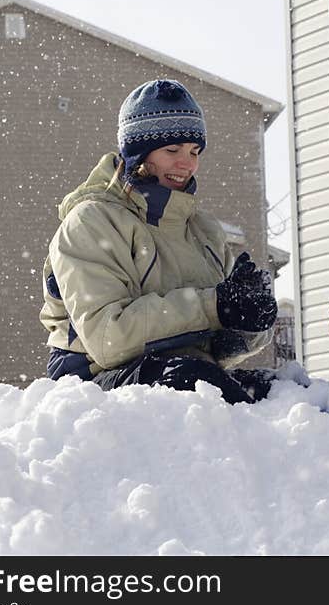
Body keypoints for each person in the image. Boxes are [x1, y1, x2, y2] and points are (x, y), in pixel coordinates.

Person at [40, 78, 278, 404]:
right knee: (191, 378)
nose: (187, 163)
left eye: (194, 151)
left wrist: (246, 321)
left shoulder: (202, 231)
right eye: (172, 150)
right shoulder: (92, 222)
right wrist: (212, 305)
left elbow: (213, 349)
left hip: (184, 370)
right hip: (92, 386)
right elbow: (109, 338)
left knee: (278, 391)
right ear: (138, 152)